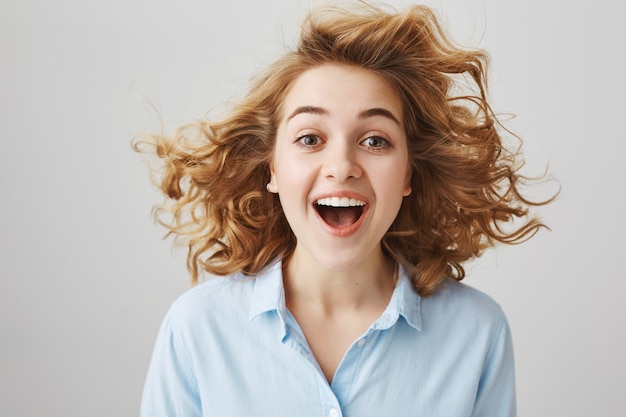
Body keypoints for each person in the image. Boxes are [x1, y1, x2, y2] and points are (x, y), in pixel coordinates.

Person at [136, 2, 552, 416]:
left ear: (408, 172)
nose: (341, 168)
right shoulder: (195, 330)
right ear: (273, 168)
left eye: (375, 140)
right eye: (310, 138)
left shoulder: (478, 333)